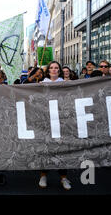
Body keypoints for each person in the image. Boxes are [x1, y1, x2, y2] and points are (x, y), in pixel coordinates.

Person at [39, 61, 71, 190]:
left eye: (56, 68)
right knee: (45, 148)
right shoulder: (42, 83)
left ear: (60, 70)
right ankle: (43, 175)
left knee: (62, 149)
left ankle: (64, 177)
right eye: (51, 68)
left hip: (61, 120)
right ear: (48, 71)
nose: (53, 70)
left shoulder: (65, 83)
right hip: (45, 120)